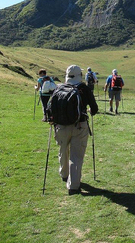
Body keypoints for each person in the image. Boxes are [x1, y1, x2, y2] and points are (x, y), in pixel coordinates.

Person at [53, 65, 98, 195]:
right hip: (79, 126)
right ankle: (73, 186)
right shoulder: (84, 88)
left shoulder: (59, 87)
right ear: (79, 75)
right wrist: (89, 110)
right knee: (76, 155)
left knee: (63, 150)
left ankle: (64, 174)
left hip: (60, 126)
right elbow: (94, 109)